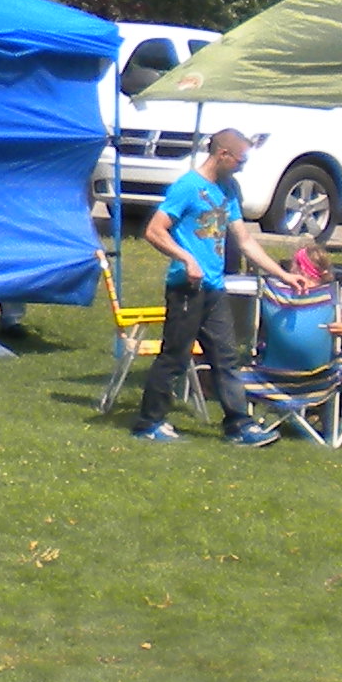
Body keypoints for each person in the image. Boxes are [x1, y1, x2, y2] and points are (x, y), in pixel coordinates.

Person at [131, 125, 288, 443]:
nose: (243, 166)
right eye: (240, 160)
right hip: (186, 287)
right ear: (223, 154)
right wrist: (186, 259)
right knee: (174, 355)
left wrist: (282, 274)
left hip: (214, 288)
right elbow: (154, 230)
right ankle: (148, 423)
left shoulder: (229, 190)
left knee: (226, 357)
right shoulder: (188, 187)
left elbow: (244, 240)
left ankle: (238, 425)